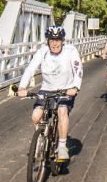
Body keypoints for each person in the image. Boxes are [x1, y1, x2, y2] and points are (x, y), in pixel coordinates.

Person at [17, 25, 82, 161]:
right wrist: (22, 87)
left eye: (58, 40)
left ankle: (62, 146)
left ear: (62, 40)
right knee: (36, 117)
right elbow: (30, 69)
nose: (55, 43)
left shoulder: (71, 51)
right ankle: (43, 137)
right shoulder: (43, 52)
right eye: (52, 40)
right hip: (46, 89)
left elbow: (78, 69)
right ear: (48, 41)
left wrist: (75, 87)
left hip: (65, 90)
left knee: (62, 111)